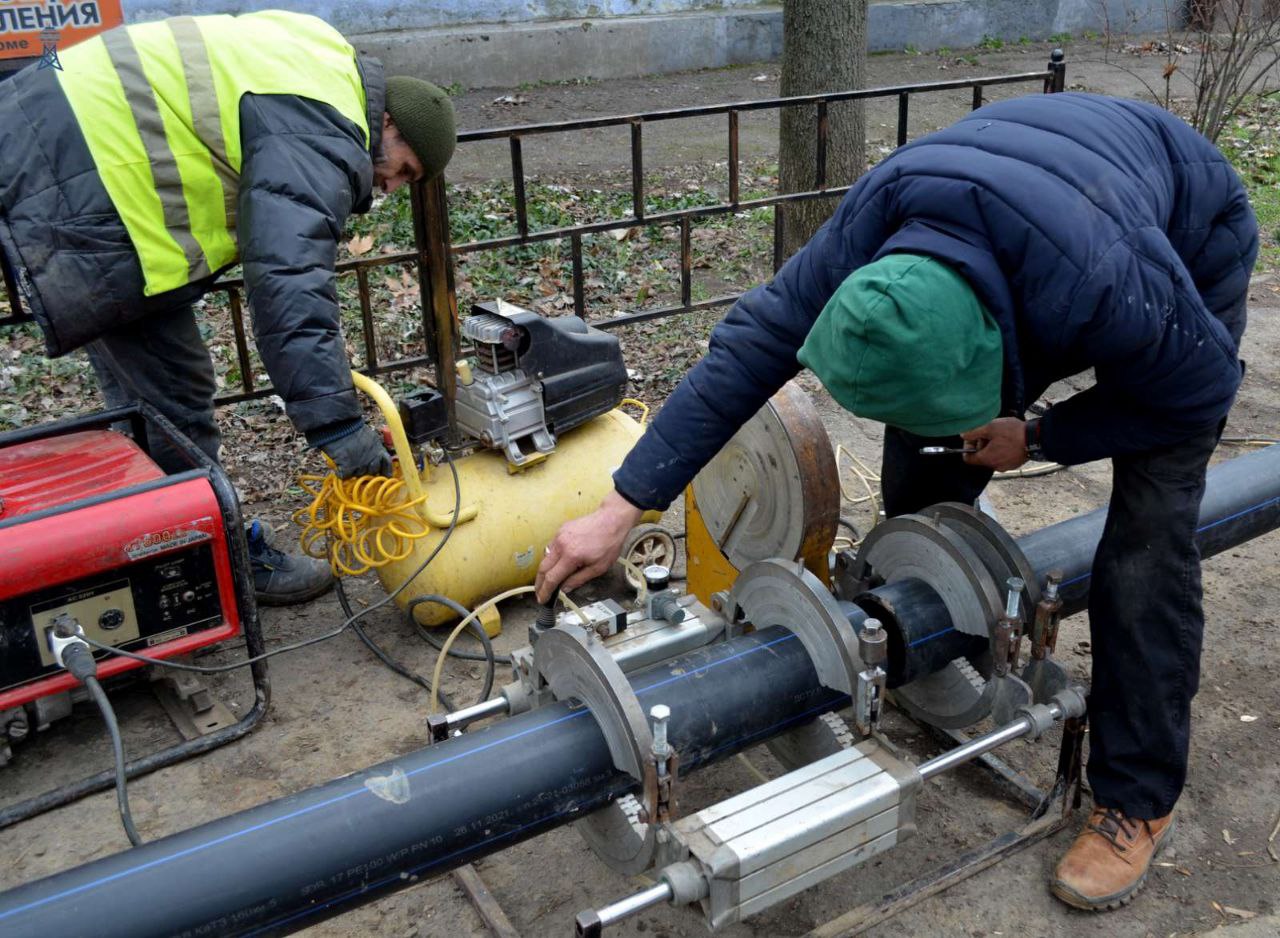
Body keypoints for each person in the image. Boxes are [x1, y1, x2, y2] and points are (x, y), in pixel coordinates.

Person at [536, 92, 1257, 911]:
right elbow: (750, 346)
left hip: (1178, 231)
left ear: (996, 363)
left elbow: (1198, 393)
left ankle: (1137, 796)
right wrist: (626, 504)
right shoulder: (872, 230)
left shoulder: (1113, 285)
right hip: (1032, 200)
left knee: (1145, 547)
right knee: (923, 473)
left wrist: (1042, 434)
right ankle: (921, 646)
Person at [0, 10, 457, 605]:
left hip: (61, 146)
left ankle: (158, 560)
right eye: (401, 170)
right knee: (171, 406)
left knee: (151, 407)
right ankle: (211, 564)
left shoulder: (317, 57)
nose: (388, 188)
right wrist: (342, 428)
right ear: (387, 122)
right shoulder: (327, 130)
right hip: (78, 179)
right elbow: (290, 285)